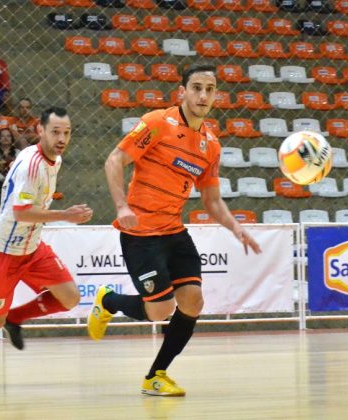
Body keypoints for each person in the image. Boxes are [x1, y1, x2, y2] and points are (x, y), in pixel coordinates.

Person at [87, 63, 262, 397]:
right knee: (160, 309)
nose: (203, 95)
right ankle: (107, 300)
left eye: (210, 89)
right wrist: (122, 206)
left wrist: (235, 227)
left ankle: (156, 375)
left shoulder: (211, 144)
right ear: (182, 92)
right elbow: (114, 160)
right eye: (196, 88)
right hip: (140, 233)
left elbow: (211, 199)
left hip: (173, 231)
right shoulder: (157, 123)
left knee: (193, 301)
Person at [0, 107, 93, 385]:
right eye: (55, 132)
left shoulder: (54, 159)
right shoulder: (31, 166)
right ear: (40, 131)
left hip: (33, 248)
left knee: (70, 298)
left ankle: (14, 318)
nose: (62, 139)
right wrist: (65, 215)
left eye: (66, 133)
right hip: (4, 252)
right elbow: (21, 212)